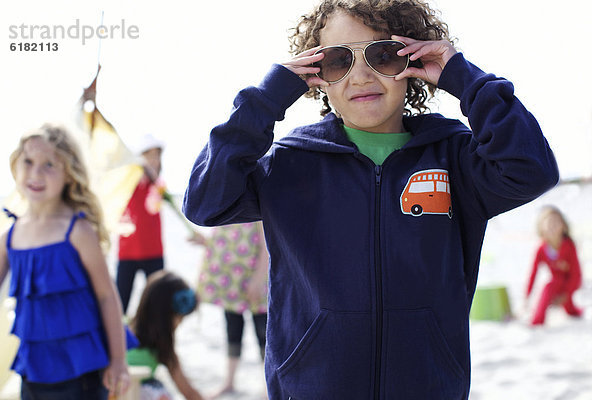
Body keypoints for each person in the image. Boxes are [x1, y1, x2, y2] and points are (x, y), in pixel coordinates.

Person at [181, 0, 559, 398]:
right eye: (337, 61)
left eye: (382, 55)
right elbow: (206, 202)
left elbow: (531, 169)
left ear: (411, 63)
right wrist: (267, 98)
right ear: (317, 74)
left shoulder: (453, 159)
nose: (360, 75)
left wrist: (464, 78)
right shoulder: (290, 164)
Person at [0, 124, 130, 399]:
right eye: (28, 161)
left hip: (84, 374)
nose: (35, 173)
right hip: (32, 372)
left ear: (69, 174)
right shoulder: (9, 237)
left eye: (49, 165)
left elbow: (107, 296)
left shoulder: (78, 231)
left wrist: (119, 361)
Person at [193, 222, 268, 399]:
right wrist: (203, 241)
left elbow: (267, 248)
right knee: (232, 330)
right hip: (231, 285)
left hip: (256, 284)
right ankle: (229, 381)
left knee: (263, 335)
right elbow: (221, 242)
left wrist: (258, 279)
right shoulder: (226, 211)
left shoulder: (257, 212)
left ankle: (267, 385)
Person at [127, 270, 205, 400]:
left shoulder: (119, 328)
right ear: (166, 317)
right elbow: (189, 392)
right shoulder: (161, 345)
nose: (179, 324)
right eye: (180, 318)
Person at [116, 133, 166, 314]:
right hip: (127, 252)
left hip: (153, 251)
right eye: (149, 155)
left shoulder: (158, 186)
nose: (154, 160)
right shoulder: (127, 182)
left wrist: (152, 176)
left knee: (157, 303)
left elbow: (153, 205)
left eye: (157, 156)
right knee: (121, 302)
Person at [526, 206, 583, 325]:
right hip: (555, 283)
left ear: (563, 226)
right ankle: (537, 321)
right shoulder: (541, 249)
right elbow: (533, 273)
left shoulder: (569, 245)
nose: (553, 227)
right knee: (548, 287)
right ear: (542, 228)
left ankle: (576, 312)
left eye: (556, 223)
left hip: (568, 284)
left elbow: (576, 273)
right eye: (549, 223)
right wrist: (527, 295)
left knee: (570, 309)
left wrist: (567, 294)